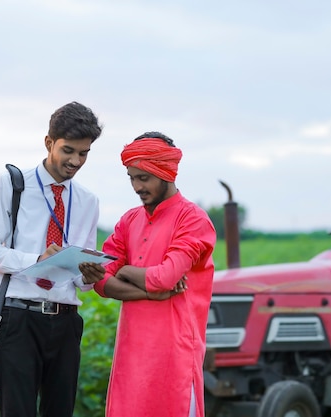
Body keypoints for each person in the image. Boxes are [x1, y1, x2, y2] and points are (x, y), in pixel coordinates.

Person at [0, 101, 106, 417]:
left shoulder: (88, 201)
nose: (75, 161)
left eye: (84, 153)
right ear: (49, 143)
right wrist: (35, 259)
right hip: (19, 317)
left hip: (66, 320)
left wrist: (88, 277)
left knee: (60, 411)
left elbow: (79, 280)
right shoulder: (13, 184)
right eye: (68, 150)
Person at [83, 132, 216, 417]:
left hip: (174, 354)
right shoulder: (129, 220)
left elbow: (164, 278)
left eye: (144, 178)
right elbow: (102, 281)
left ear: (166, 172)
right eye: (132, 177)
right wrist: (149, 293)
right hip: (131, 354)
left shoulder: (193, 219)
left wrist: (127, 270)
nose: (136, 186)